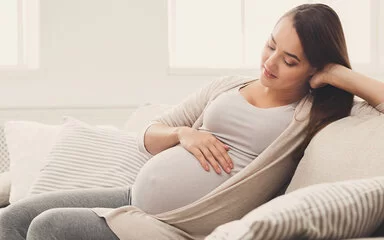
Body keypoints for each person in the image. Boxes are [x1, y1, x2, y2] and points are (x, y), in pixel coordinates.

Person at [1, 3, 383, 240]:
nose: (269, 63)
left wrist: (339, 74)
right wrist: (184, 134)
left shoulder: (313, 114)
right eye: (271, 45)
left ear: (315, 67)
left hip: (178, 224)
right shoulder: (228, 85)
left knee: (48, 228)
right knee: (12, 219)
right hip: (135, 197)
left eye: (290, 60)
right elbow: (147, 138)